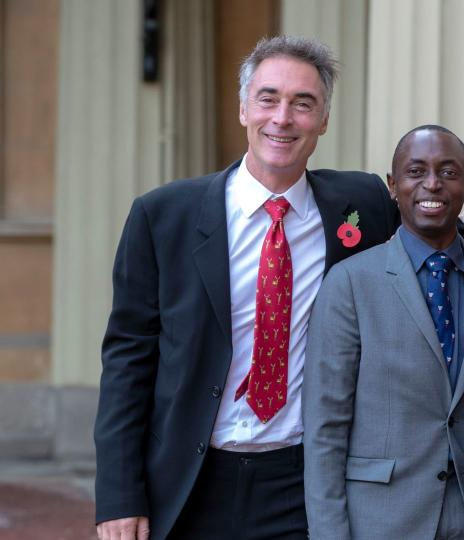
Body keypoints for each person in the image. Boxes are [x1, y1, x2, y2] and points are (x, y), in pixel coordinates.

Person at [92, 36, 408, 540]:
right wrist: (117, 495)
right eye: (268, 98)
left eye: (303, 103)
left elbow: (436, 223)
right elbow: (128, 362)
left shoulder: (361, 203)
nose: (283, 117)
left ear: (324, 120)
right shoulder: (163, 216)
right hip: (190, 482)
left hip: (302, 484)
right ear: (243, 109)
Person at [303, 125, 464, 540]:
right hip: (380, 520)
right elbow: (325, 429)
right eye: (416, 171)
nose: (432, 183)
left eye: (449, 172)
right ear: (393, 186)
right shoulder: (350, 284)